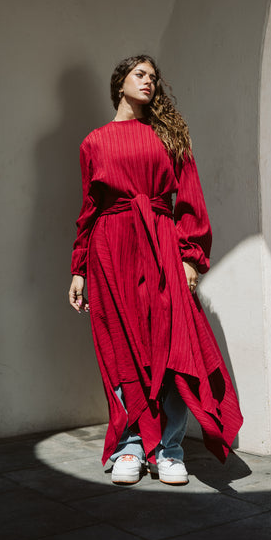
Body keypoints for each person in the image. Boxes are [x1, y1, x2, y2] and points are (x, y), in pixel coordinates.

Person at [69, 54, 243, 485]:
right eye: (139, 75)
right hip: (110, 249)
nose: (148, 81)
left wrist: (190, 257)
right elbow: (89, 209)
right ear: (120, 83)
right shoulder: (93, 142)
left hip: (162, 242)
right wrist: (79, 269)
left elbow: (190, 197)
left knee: (174, 347)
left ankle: (169, 449)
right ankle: (131, 446)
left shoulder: (170, 135)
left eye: (153, 77)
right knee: (123, 347)